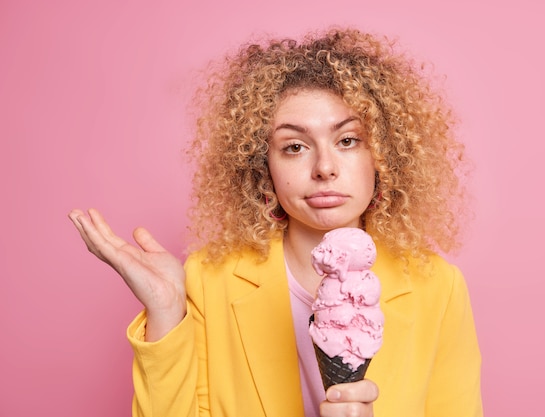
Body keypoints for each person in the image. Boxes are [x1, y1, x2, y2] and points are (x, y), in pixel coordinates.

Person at [68, 27, 483, 417]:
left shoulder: (437, 287)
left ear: (382, 154)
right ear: (261, 164)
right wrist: (165, 314)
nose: (324, 167)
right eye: (295, 146)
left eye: (347, 140)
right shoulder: (210, 280)